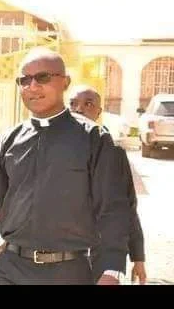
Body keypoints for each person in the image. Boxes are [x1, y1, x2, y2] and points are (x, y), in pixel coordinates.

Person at [0, 48, 130, 285]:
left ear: (65, 82)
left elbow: (112, 208)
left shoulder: (94, 138)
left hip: (70, 273)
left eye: (42, 77)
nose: (32, 86)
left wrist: (110, 269)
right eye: (24, 80)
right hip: (11, 271)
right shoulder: (7, 141)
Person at [69, 85, 147, 284]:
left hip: (97, 256)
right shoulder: (53, 147)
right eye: (73, 104)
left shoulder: (112, 151)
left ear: (98, 112)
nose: (79, 109)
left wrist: (137, 256)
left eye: (88, 104)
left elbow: (127, 206)